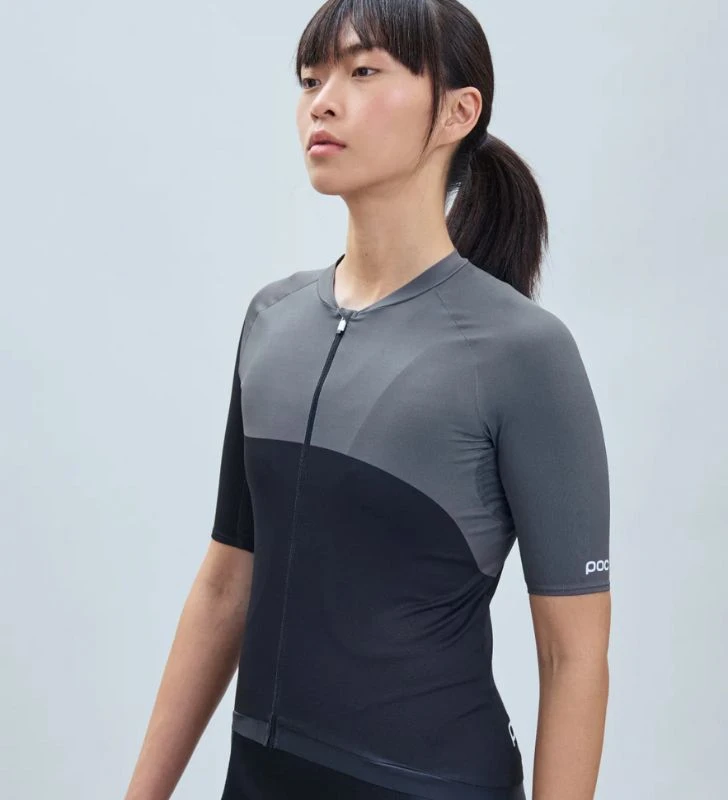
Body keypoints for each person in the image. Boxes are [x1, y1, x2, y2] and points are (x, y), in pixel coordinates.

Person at [124, 1, 611, 798]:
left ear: (457, 111)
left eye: (362, 72)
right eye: (310, 79)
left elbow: (573, 655)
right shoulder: (272, 320)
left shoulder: (524, 352)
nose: (322, 102)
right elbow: (225, 584)